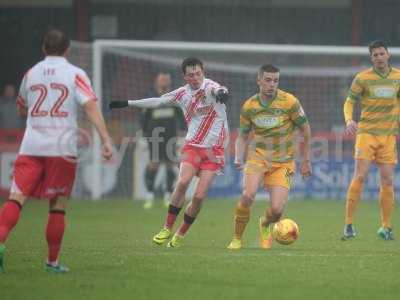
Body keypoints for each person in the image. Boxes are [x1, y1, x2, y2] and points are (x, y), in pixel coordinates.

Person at [0, 29, 113, 273]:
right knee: (58, 205)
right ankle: (52, 262)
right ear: (68, 49)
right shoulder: (75, 74)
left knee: (16, 199)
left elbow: (21, 108)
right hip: (62, 149)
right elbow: (91, 107)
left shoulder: (31, 73)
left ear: (43, 49)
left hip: (31, 146)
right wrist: (105, 139)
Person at [110, 57, 229, 248]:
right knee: (182, 182)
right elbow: (156, 102)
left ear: (202, 71)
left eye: (198, 73)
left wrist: (222, 92)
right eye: (191, 75)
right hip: (193, 146)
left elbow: (220, 89)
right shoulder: (181, 94)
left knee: (198, 197)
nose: (195, 77)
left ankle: (180, 235)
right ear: (184, 76)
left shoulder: (210, 87)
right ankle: (166, 228)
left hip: (214, 150)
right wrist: (128, 102)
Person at [227, 64, 311, 250]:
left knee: (277, 210)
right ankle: (237, 238)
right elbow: (242, 135)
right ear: (259, 80)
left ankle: (265, 224)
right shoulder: (249, 106)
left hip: (284, 162)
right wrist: (238, 156)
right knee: (248, 196)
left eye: (275, 81)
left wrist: (305, 160)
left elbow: (306, 130)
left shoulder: (289, 102)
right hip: (257, 158)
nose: (272, 84)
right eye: (268, 80)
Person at [342, 40, 399, 241]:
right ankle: (348, 224)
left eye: (381, 53)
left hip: (388, 136)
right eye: (375, 55)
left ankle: (386, 226)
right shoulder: (362, 78)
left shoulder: (398, 77)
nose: (379, 57)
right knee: (360, 176)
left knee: (387, 180)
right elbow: (349, 102)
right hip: (366, 134)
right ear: (371, 58)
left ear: (388, 55)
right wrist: (349, 120)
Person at [141, 72, 185, 209]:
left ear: (170, 82)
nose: (164, 82)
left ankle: (168, 195)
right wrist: (144, 133)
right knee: (153, 164)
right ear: (157, 82)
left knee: (170, 164)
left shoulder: (174, 99)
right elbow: (143, 118)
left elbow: (181, 117)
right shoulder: (151, 98)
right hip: (154, 136)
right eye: (162, 79)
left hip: (171, 137)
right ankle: (149, 196)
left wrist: (182, 131)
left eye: (167, 79)